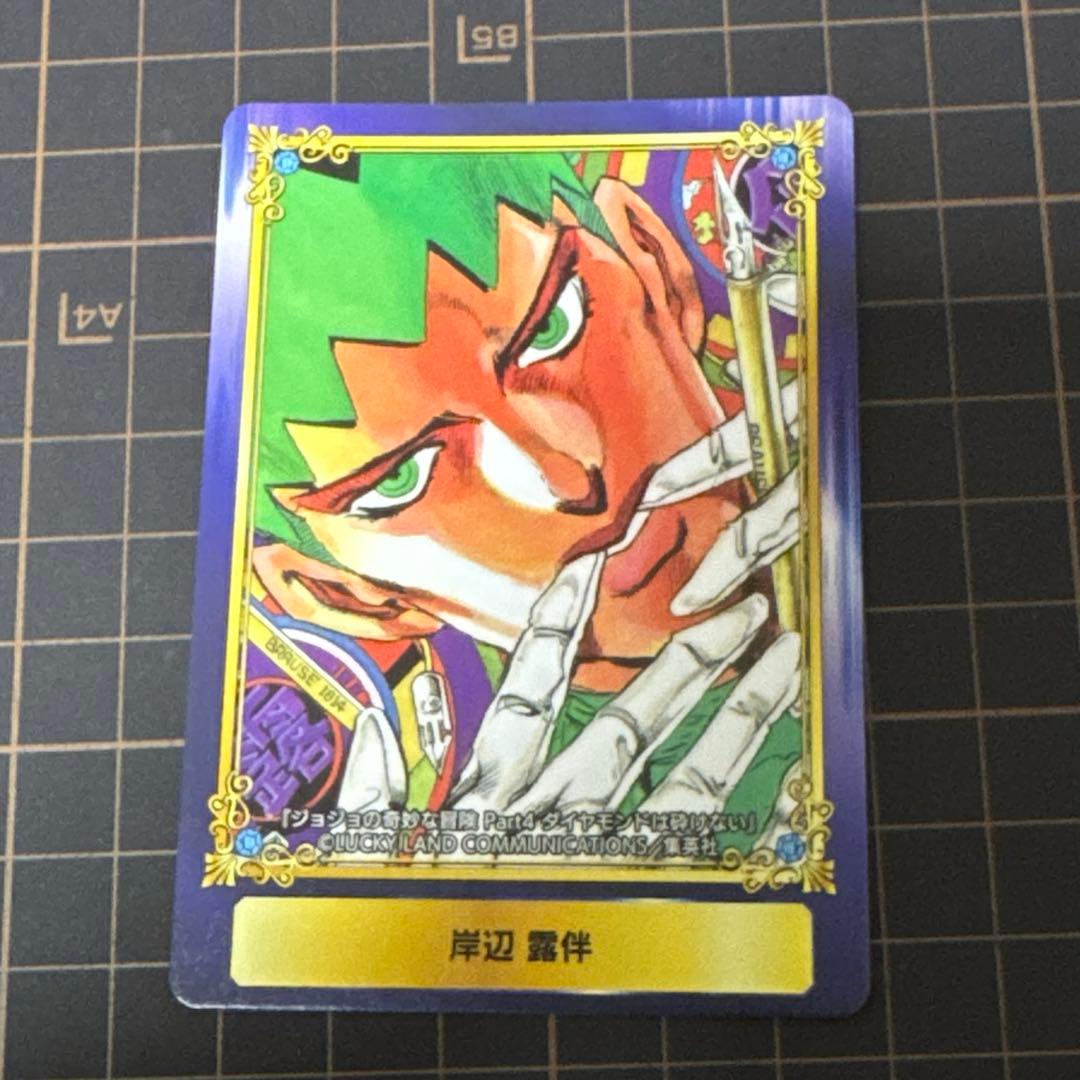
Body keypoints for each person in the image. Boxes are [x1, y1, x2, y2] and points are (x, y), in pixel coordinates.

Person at [251, 151, 802, 855]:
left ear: (657, 268)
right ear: (343, 594)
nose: (565, 478)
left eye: (552, 327)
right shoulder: (491, 826)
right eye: (402, 479)